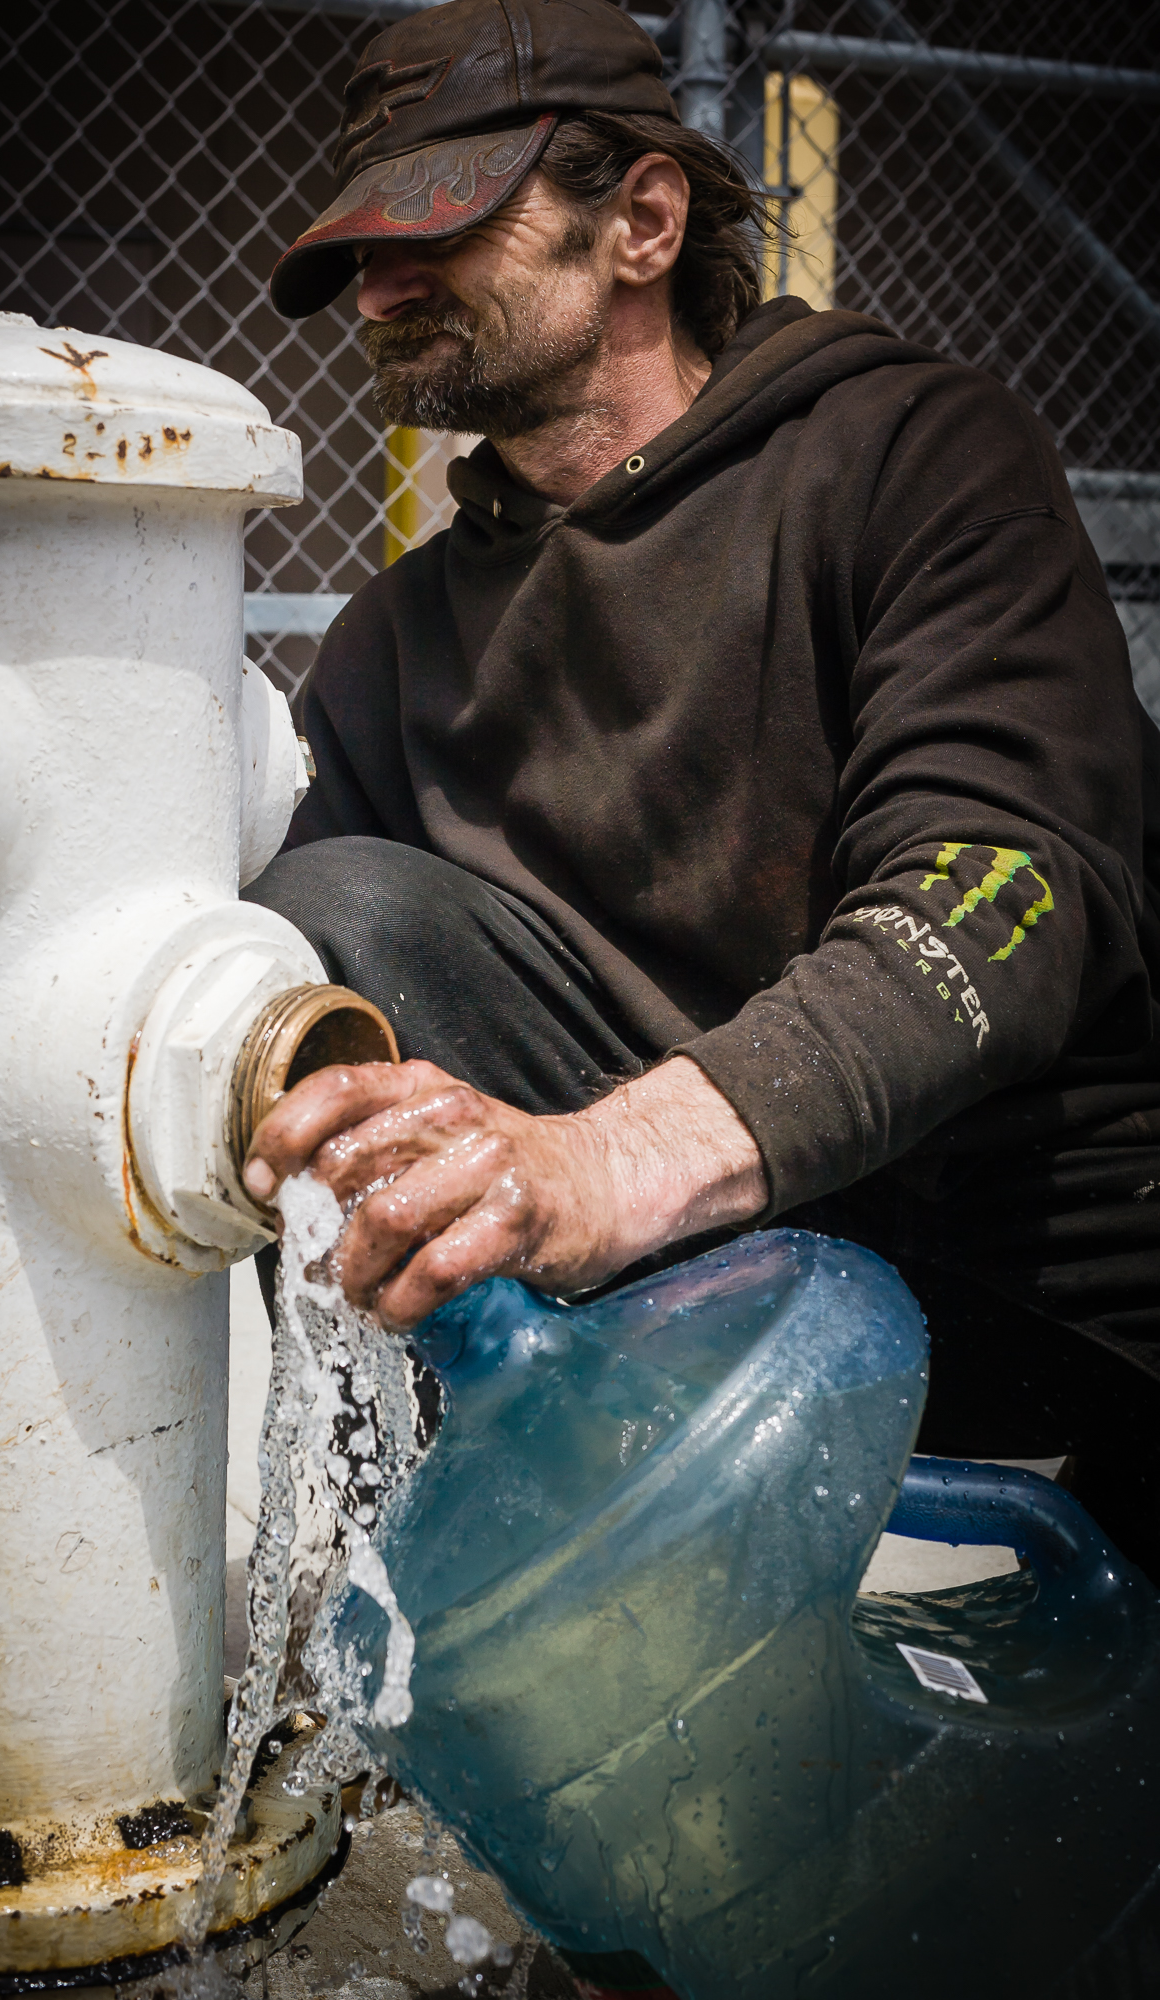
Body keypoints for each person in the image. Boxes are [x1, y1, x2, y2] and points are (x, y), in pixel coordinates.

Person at [243, 0, 1160, 1579]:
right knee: (319, 927)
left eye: (438, 229)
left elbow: (997, 896)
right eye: (358, 255)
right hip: (691, 1300)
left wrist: (595, 1164)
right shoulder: (393, 646)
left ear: (643, 222)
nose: (379, 287)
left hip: (1027, 1266)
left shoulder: (906, 458)